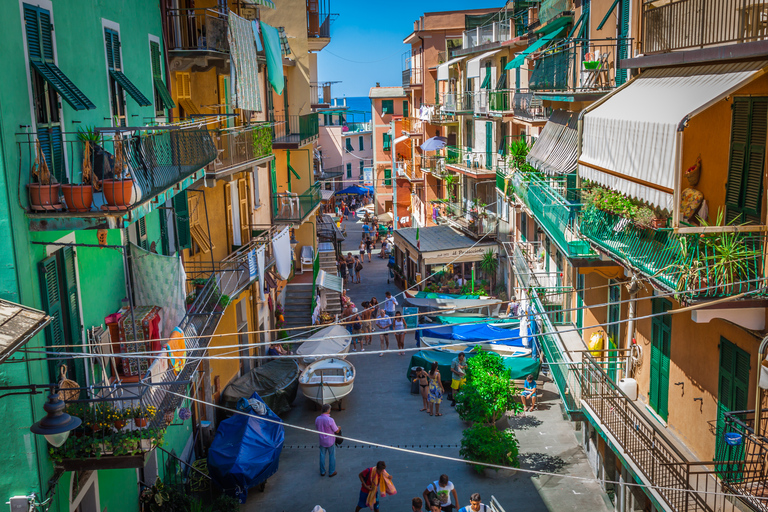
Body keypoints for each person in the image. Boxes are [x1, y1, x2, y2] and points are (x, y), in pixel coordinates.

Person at [315, 404, 340, 477]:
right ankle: (331, 471)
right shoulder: (330, 420)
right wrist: (339, 428)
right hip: (330, 441)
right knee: (332, 456)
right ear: (328, 410)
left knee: (322, 455)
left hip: (322, 441)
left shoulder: (317, 419)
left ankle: (322, 471)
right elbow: (336, 430)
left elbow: (317, 428)